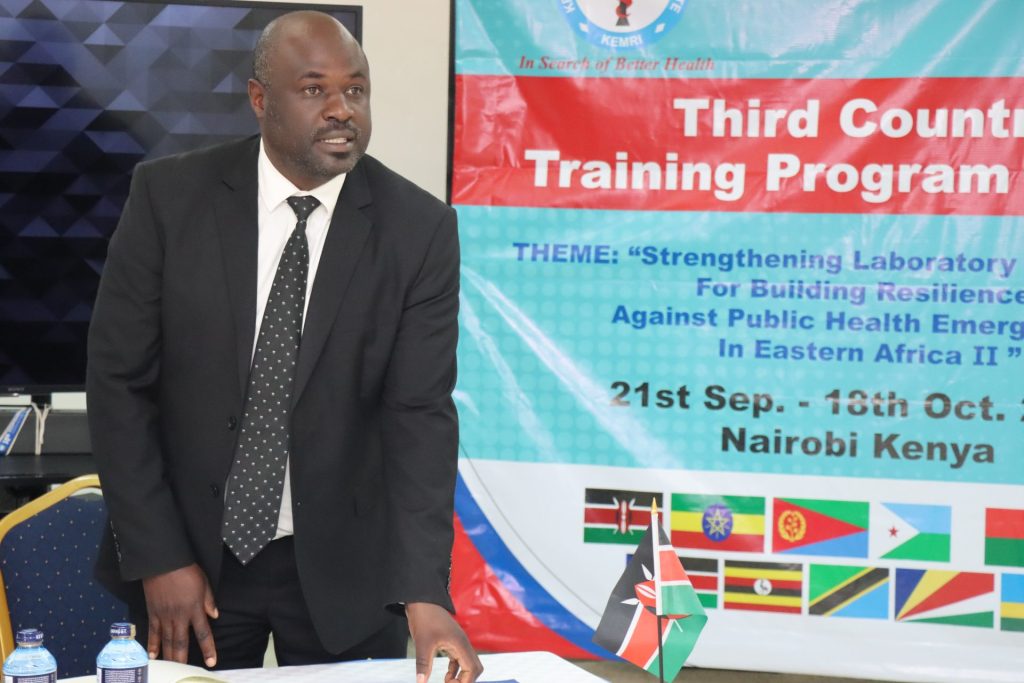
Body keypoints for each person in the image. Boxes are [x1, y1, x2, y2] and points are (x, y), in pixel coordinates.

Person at [86, 10, 482, 683]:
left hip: (346, 572)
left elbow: (419, 417)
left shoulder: (419, 229)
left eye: (355, 90)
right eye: (314, 89)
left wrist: (424, 589)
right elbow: (118, 382)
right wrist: (159, 557)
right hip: (189, 559)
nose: (341, 109)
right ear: (259, 98)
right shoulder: (169, 197)